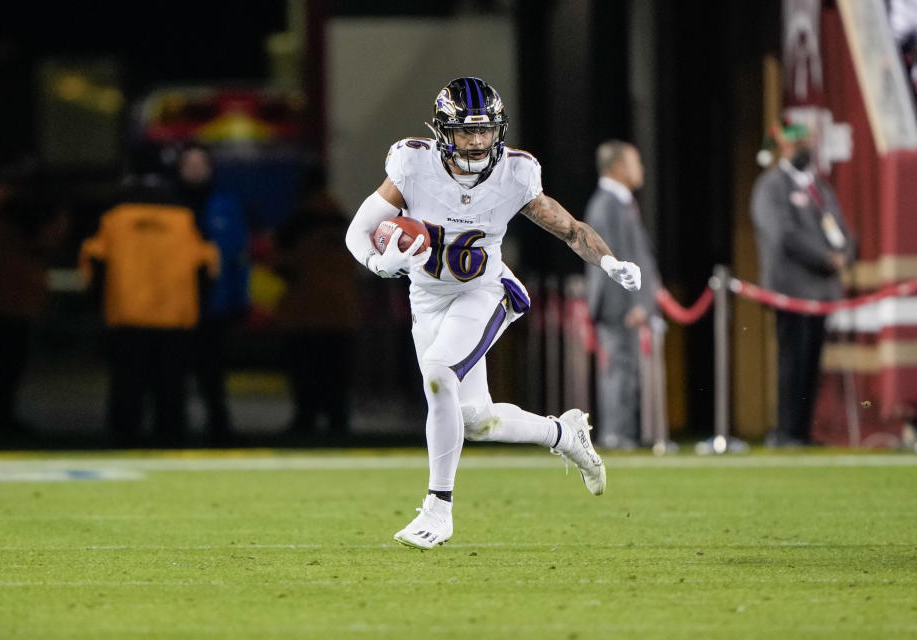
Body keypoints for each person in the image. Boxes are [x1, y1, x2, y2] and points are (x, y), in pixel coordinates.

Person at [344, 77, 641, 549]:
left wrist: (608, 261)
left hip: (485, 291)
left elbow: (570, 229)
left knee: (439, 375)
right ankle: (564, 433)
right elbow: (358, 231)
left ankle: (437, 509)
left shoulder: (515, 174)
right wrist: (380, 264)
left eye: (485, 131)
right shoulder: (412, 164)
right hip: (427, 298)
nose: (478, 142)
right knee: (475, 418)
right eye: (466, 131)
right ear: (443, 131)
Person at [80, 174, 219, 447]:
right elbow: (207, 266)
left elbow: (93, 263)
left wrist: (99, 306)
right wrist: (197, 306)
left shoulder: (115, 218)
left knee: (127, 382)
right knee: (171, 384)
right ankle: (170, 437)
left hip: (126, 313)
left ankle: (124, 438)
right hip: (174, 317)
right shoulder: (184, 219)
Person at [750, 120, 854, 447]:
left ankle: (803, 432)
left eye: (808, 143)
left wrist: (845, 254)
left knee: (812, 362)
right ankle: (786, 431)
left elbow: (844, 230)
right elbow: (783, 235)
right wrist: (825, 258)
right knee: (792, 360)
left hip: (822, 291)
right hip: (791, 289)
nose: (804, 150)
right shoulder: (770, 186)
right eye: (799, 144)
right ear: (785, 147)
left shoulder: (819, 189)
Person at [0, 159, 68, 437]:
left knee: (10, 365)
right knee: (3, 364)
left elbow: (46, 241)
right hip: (0, 300)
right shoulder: (3, 208)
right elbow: (44, 241)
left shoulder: (21, 210)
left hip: (13, 300)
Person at [271, 165, 359, 440]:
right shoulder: (346, 222)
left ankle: (306, 419)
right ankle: (338, 422)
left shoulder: (295, 226)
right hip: (341, 312)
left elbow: (282, 265)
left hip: (304, 312)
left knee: (306, 372)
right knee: (336, 374)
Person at [584, 141, 661, 450]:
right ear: (618, 167)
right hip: (618, 304)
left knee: (625, 369)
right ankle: (616, 435)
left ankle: (622, 434)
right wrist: (635, 303)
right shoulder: (608, 204)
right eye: (635, 163)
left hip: (622, 303)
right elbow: (612, 260)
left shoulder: (619, 202)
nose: (640, 169)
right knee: (619, 369)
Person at [176, 143, 250, 445]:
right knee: (173, 371)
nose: (195, 169)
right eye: (189, 163)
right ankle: (173, 428)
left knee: (213, 370)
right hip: (174, 303)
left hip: (215, 303)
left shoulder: (226, 204)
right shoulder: (170, 204)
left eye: (200, 163)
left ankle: (219, 428)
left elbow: (238, 258)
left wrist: (238, 299)